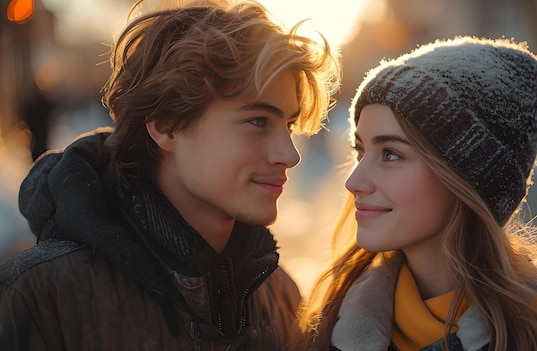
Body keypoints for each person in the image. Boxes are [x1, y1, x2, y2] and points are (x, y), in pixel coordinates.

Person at [0, 0, 340, 350]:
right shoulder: (40, 300)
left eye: (289, 124)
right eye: (257, 121)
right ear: (167, 126)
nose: (290, 154)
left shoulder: (280, 298)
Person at [298, 36, 537, 350]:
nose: (354, 181)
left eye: (391, 154)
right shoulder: (328, 322)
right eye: (360, 150)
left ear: (466, 176)